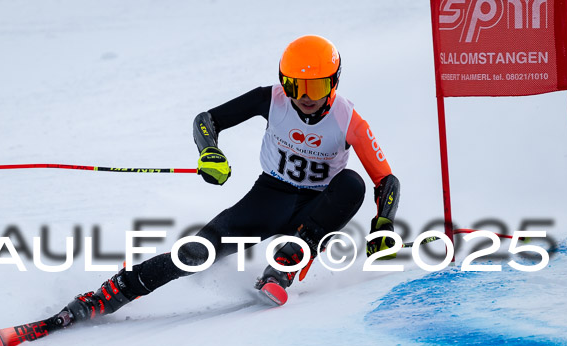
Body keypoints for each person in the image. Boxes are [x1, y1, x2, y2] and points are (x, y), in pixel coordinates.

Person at [48, 35, 400, 328]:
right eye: (296, 86)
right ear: (284, 82)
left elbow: (385, 180)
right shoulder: (271, 99)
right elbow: (207, 120)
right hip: (270, 197)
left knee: (352, 183)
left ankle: (283, 269)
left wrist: (384, 222)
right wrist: (209, 152)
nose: (306, 97)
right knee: (195, 253)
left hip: (318, 208)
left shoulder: (349, 121)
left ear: (334, 83)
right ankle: (111, 293)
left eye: (317, 86)